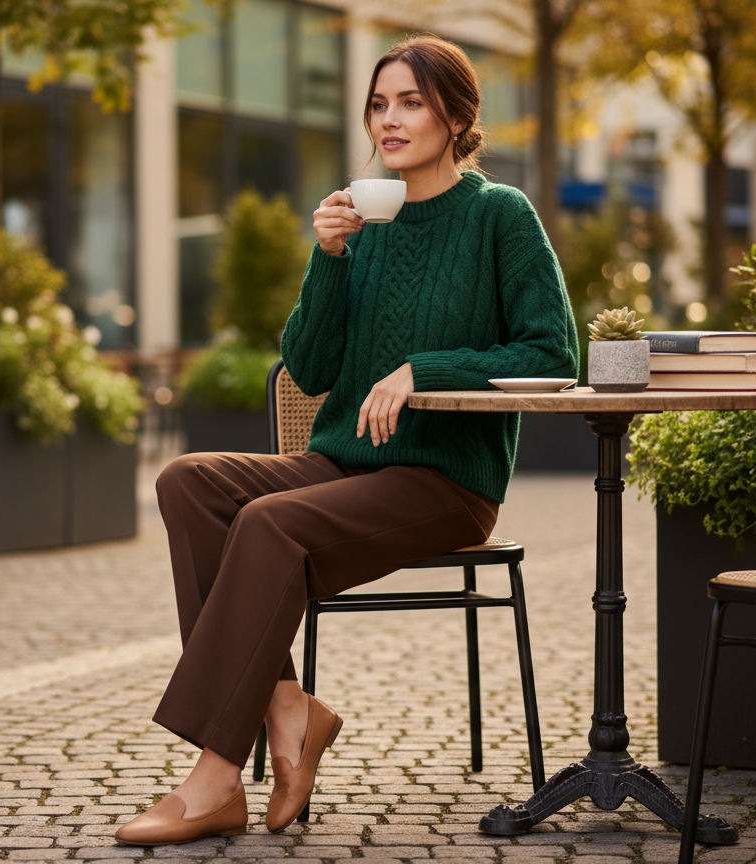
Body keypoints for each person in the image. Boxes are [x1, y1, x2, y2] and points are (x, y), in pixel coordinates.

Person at [114, 33, 579, 846]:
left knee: (269, 523)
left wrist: (422, 371)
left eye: (410, 102)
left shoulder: (500, 215)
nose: (389, 120)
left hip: (446, 481)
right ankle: (290, 710)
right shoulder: (361, 219)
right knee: (187, 480)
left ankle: (216, 779)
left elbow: (551, 351)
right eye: (378, 103)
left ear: (457, 114)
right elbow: (312, 364)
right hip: (338, 464)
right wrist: (326, 258)